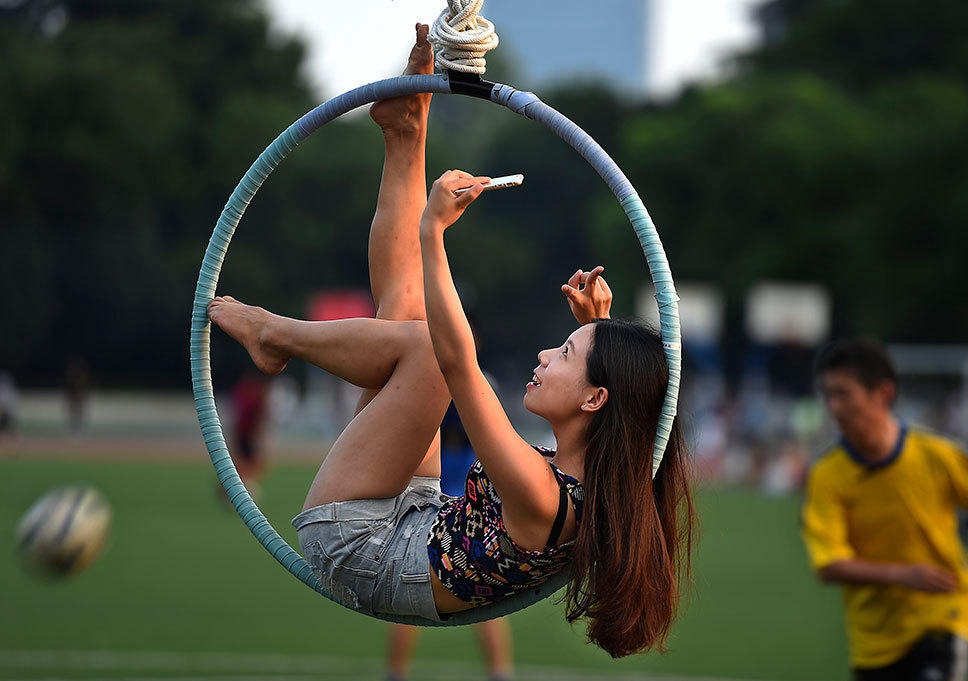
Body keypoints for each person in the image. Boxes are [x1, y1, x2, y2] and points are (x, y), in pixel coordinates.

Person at [207, 23, 694, 659]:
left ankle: (273, 335)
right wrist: (592, 331)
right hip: (414, 516)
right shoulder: (584, 481)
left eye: (565, 355)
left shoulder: (545, 496)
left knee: (430, 354)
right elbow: (603, 389)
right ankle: (405, 132)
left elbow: (459, 365)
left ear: (596, 399)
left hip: (358, 542)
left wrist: (435, 233)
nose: (547, 356)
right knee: (407, 315)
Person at [801, 337, 968, 680]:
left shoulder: (934, 456)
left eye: (843, 394)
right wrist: (904, 575)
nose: (833, 407)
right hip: (874, 640)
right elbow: (829, 565)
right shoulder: (827, 476)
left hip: (943, 616)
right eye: (829, 395)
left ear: (882, 393)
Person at [385, 404, 515, 681]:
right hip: (467, 504)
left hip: (441, 500)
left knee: (409, 595)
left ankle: (395, 672)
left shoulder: (436, 389)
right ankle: (500, 672)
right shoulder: (476, 388)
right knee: (485, 599)